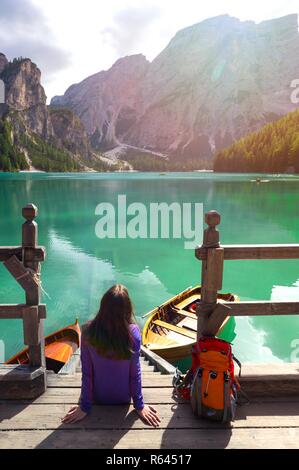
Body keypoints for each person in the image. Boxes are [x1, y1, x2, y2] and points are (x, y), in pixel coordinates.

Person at [62, 284, 161, 428]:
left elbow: (87, 373)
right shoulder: (133, 334)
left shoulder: (88, 332)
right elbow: (135, 374)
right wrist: (139, 405)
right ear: (127, 309)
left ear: (102, 307)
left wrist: (84, 407)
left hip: (97, 398)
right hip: (123, 399)